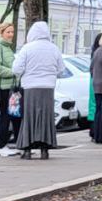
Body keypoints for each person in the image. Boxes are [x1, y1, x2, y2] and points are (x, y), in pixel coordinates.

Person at [11, 21, 66, 159]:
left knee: (30, 117)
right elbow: (61, 70)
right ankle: (44, 149)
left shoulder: (27, 48)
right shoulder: (54, 48)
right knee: (46, 117)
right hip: (48, 87)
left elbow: (16, 69)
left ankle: (27, 149)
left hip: (30, 87)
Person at [0, 21, 21, 157]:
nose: (11, 34)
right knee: (5, 117)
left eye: (12, 32)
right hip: (3, 88)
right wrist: (13, 72)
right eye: (8, 32)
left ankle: (19, 144)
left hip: (13, 88)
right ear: (1, 33)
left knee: (16, 116)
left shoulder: (8, 48)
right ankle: (2, 146)